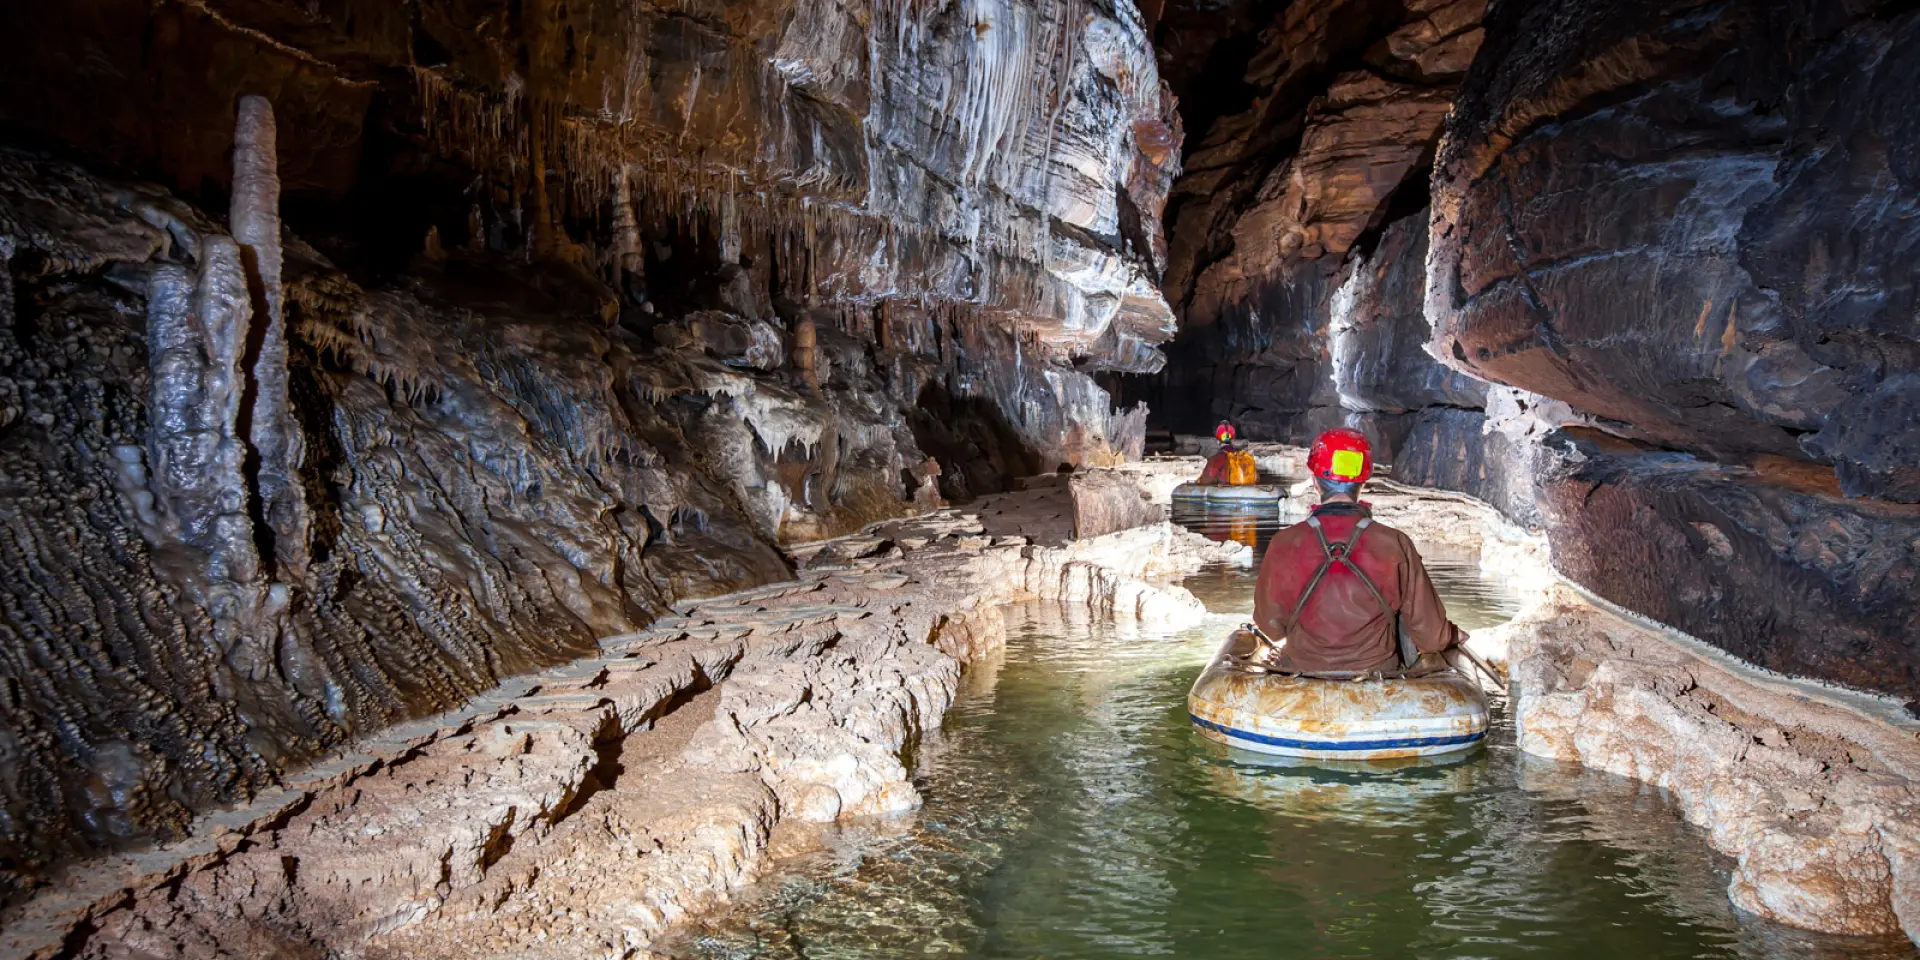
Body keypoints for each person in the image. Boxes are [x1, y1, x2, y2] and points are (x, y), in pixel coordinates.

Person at [1250, 429, 1466, 674]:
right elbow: (1430, 637)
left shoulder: (1284, 543)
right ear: (1362, 483)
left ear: (1314, 481)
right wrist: (1452, 635)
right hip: (1377, 678)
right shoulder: (1395, 543)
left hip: (1304, 674)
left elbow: (1270, 628)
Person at [1196, 421, 1257, 485]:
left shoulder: (1216, 459)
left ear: (1217, 441)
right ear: (1233, 440)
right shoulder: (1244, 458)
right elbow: (1256, 478)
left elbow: (1205, 482)